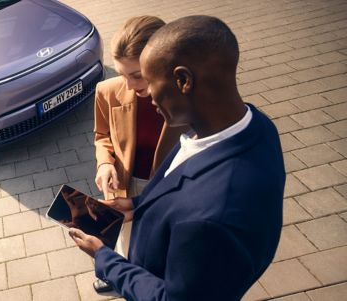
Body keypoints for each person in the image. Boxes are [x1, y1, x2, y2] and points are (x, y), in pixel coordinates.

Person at [70, 15, 286, 300]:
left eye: (147, 79)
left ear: (183, 80)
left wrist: (104, 258)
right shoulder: (258, 125)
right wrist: (136, 205)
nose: (144, 94)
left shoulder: (208, 220)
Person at [92, 16, 188, 292]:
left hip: (170, 191)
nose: (130, 85)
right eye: (122, 74)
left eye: (137, 75)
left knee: (160, 245)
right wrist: (104, 164)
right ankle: (118, 272)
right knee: (125, 237)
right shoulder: (107, 91)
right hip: (125, 186)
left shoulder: (188, 102)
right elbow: (102, 137)